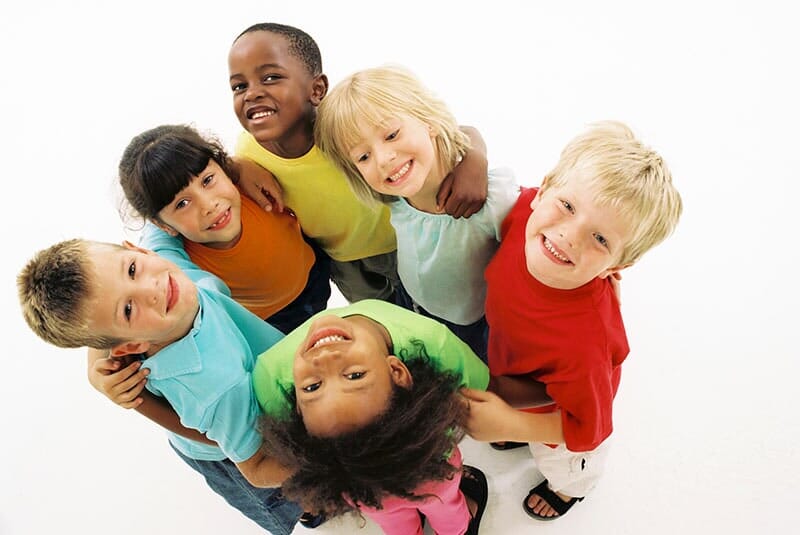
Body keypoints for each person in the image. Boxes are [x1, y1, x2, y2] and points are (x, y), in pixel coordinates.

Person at [462, 121, 683, 520]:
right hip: (521, 370)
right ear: (543, 189)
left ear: (618, 264)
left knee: (566, 466)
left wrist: (512, 422)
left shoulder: (585, 347)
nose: (568, 236)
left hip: (569, 418)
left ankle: (569, 491)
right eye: (567, 206)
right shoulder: (522, 216)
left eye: (600, 240)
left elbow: (588, 429)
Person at [18, 239, 302, 534]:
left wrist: (94, 370)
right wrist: (332, 466)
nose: (150, 290)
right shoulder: (214, 388)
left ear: (138, 250)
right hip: (227, 449)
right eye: (128, 309)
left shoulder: (163, 267)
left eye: (131, 269)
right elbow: (256, 466)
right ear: (131, 345)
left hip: (223, 409)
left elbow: (155, 228)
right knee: (288, 500)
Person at [227, 22, 491, 304]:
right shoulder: (247, 152)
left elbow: (454, 129)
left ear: (317, 90)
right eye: (239, 86)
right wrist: (236, 166)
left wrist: (475, 160)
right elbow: (217, 170)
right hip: (345, 262)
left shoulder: (343, 125)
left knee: (437, 309)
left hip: (405, 240)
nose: (251, 93)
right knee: (387, 327)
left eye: (270, 78)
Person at [315, 64, 520, 362]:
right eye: (363, 156)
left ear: (428, 122)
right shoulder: (395, 199)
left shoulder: (490, 199)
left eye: (392, 135)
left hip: (473, 326)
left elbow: (542, 233)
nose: (384, 159)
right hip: (413, 306)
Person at [252, 299, 491, 535]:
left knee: (393, 522)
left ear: (297, 411)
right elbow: (480, 391)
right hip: (432, 467)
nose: (323, 357)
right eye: (355, 376)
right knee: (446, 507)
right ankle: (458, 529)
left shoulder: (268, 376)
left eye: (313, 387)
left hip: (360, 490)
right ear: (397, 371)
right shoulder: (434, 341)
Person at [118, 123, 330, 335]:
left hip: (317, 268)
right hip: (276, 320)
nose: (209, 205)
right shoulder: (184, 263)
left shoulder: (249, 184)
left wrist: (238, 167)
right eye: (182, 204)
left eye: (208, 180)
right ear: (163, 225)